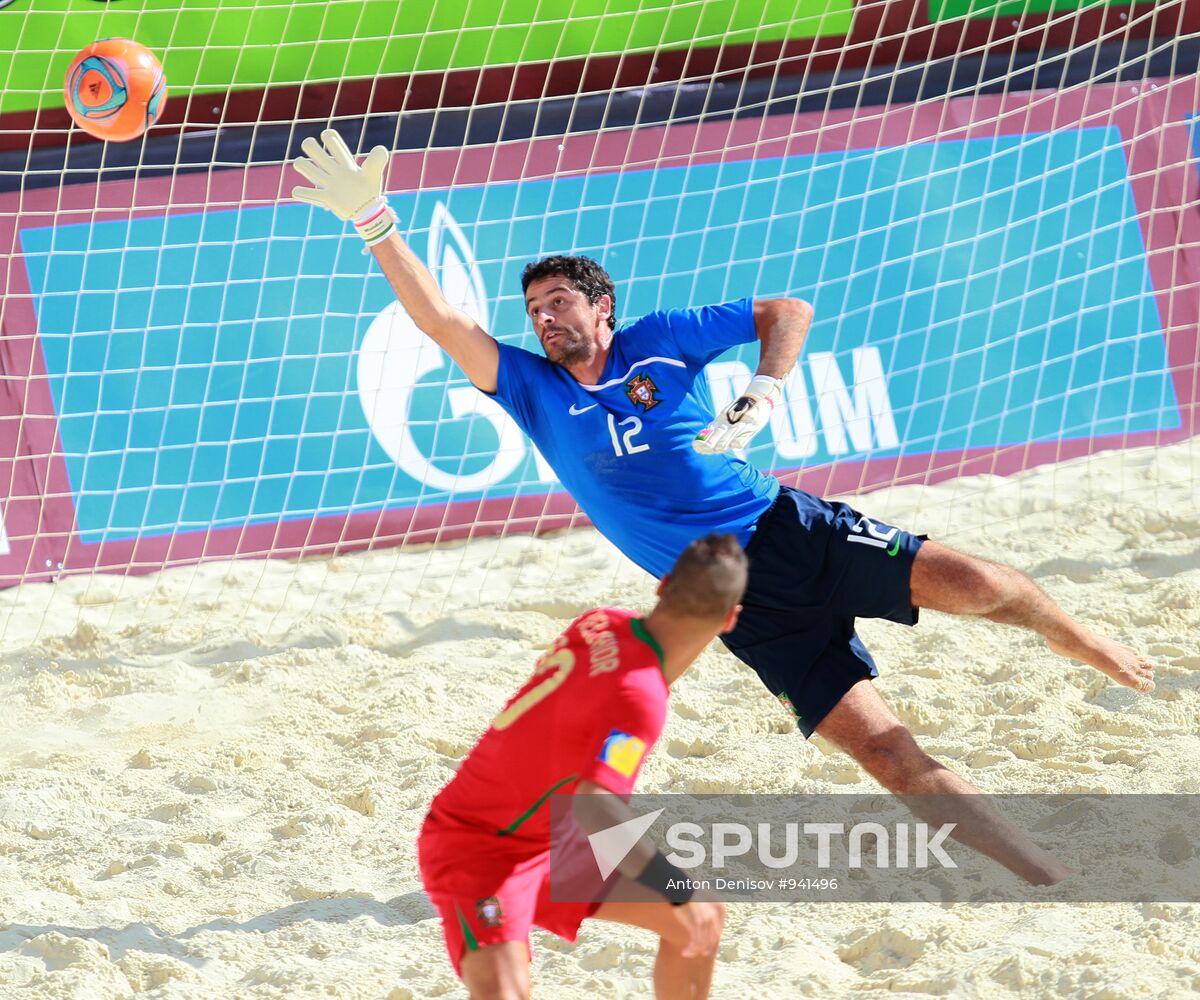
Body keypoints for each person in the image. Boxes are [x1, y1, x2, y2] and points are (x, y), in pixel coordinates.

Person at [292, 131, 1156, 886]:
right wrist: (378, 224)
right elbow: (441, 320)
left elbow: (789, 309)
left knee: (976, 580)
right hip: (733, 600)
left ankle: (1079, 636)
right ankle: (1043, 868)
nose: (544, 318)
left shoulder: (660, 338)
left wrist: (765, 390)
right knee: (888, 754)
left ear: (602, 308)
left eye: (559, 302)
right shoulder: (529, 388)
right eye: (532, 310)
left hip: (789, 527)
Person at [416, 533, 748, 999]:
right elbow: (597, 808)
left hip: (556, 840)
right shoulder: (640, 699)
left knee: (700, 919)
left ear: (663, 584)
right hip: (480, 845)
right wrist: (675, 886)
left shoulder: (601, 621)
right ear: (731, 618)